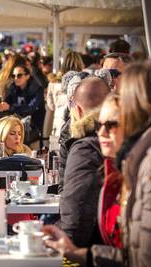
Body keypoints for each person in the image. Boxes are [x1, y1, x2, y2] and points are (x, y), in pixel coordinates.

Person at [43, 60, 151, 267]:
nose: (102, 132)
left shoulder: (148, 164)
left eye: (111, 124)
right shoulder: (134, 159)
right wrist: (79, 253)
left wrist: (76, 253)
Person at [58, 76, 111, 247]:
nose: (105, 133)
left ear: (78, 110)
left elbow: (75, 218)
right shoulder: (128, 137)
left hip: (94, 249)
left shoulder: (85, 148)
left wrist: (64, 246)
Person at [95, 94, 123, 248]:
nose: (101, 133)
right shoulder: (111, 172)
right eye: (98, 125)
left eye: (111, 125)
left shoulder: (146, 172)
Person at [0, 65, 45, 146]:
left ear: (27, 76)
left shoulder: (37, 89)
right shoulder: (14, 87)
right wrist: (0, 105)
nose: (16, 78)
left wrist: (10, 107)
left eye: (19, 75)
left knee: (11, 135)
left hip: (33, 125)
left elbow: (30, 108)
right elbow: (7, 102)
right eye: (14, 76)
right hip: (16, 124)